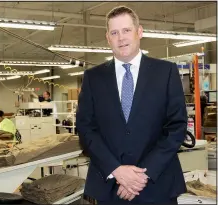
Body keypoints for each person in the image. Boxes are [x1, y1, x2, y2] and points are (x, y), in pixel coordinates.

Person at [76, 6, 187, 204]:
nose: (121, 38)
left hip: (157, 184)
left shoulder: (166, 72)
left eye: (126, 30)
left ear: (139, 32)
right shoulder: (93, 78)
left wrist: (142, 175)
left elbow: (176, 127)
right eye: (114, 33)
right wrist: (117, 170)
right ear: (108, 38)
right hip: (110, 187)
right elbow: (86, 129)